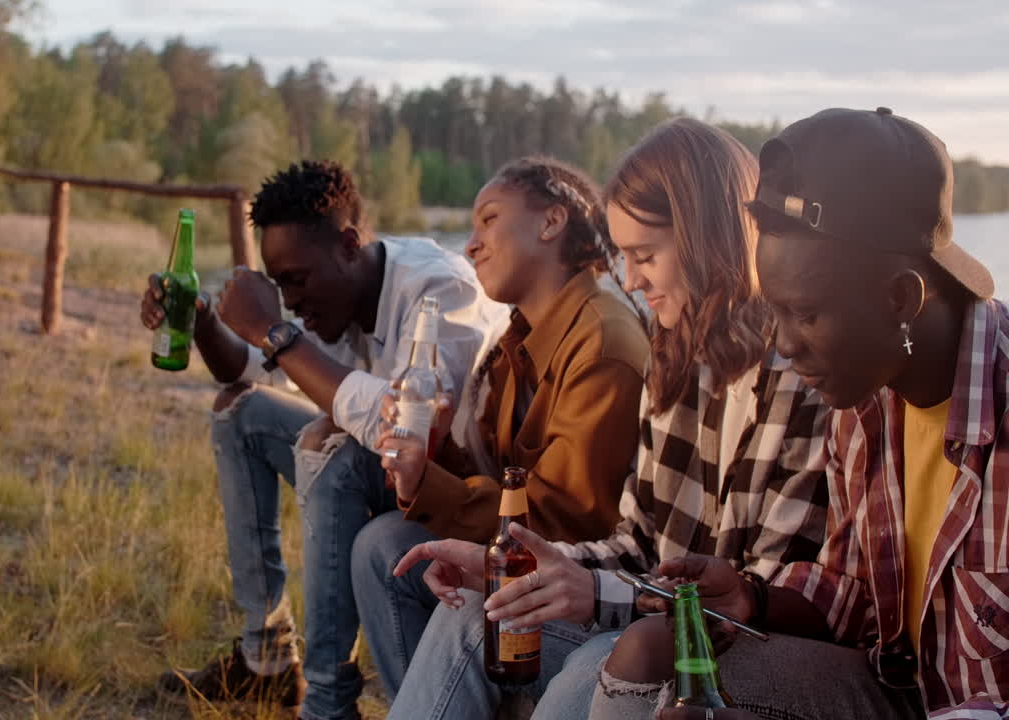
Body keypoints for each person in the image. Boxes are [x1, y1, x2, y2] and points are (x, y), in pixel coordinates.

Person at [384, 118, 830, 720]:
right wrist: (516, 565)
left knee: (590, 670)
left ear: (709, 239)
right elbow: (638, 542)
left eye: (645, 255)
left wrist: (592, 591)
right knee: (473, 607)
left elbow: (758, 603)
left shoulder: (802, 374)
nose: (631, 278)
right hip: (651, 618)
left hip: (736, 649)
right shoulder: (676, 363)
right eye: (624, 256)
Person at [607, 108, 1004, 720]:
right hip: (897, 696)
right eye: (775, 312)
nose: (784, 345)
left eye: (808, 314)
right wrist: (750, 598)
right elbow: (856, 596)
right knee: (686, 679)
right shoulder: (862, 404)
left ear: (901, 297)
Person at [140, 160, 507, 720]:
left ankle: (330, 704)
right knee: (242, 412)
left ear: (348, 245)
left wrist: (275, 331)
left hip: (455, 492)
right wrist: (206, 321)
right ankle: (264, 660)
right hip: (393, 477)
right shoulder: (331, 294)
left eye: (296, 281)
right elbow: (243, 368)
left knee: (329, 446)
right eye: (279, 283)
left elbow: (403, 430)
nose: (290, 301)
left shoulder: (440, 289)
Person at [350, 156, 650, 699]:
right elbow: (495, 467)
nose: (470, 245)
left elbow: (566, 517)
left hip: (587, 578)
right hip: (529, 550)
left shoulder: (602, 341)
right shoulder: (520, 336)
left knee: (408, 558)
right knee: (384, 545)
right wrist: (428, 445)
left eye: (488, 219)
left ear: (551, 222)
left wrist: (429, 485)